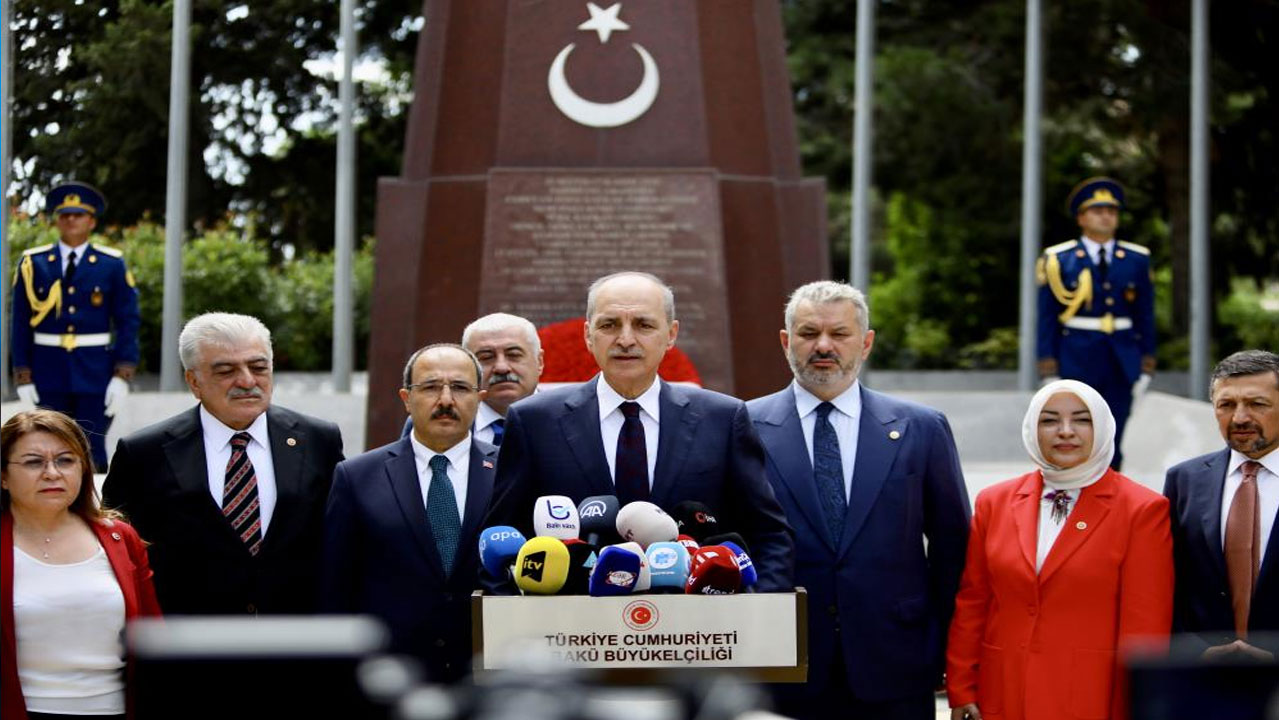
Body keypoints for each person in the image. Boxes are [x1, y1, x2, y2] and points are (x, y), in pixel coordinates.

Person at [484, 271, 794, 590]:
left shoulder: (723, 419)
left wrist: (758, 614)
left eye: (643, 325)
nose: (626, 339)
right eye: (610, 325)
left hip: (698, 630)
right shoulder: (534, 422)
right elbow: (502, 537)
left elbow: (768, 535)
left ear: (671, 334)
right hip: (569, 630)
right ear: (589, 335)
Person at [747, 280, 971, 720]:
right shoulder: (743, 427)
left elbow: (953, 549)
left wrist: (953, 651)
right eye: (809, 333)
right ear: (785, 341)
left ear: (865, 343)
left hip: (897, 663)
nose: (824, 346)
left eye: (840, 334)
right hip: (783, 665)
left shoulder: (921, 428)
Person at [947, 379, 1173, 720]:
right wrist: (962, 687)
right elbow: (973, 602)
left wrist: (1138, 706)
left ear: (1103, 426)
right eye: (1049, 420)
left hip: (1091, 697)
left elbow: (1146, 629)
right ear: (1030, 429)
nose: (1065, 431)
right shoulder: (995, 501)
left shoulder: (1142, 509)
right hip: (1003, 692)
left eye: (1082, 420)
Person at [101, 312, 343, 615]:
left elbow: (342, 541)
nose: (247, 381)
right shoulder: (144, 453)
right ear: (194, 381)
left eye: (258, 367)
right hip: (188, 645)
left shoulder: (318, 440)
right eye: (226, 371)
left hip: (294, 642)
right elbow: (118, 553)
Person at [322, 344, 498, 682]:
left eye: (460, 388)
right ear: (406, 398)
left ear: (479, 398)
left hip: (484, 672)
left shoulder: (508, 471)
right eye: (431, 387)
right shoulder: (357, 476)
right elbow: (335, 586)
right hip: (389, 673)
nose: (446, 400)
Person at [2, 409, 160, 720]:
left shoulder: (119, 537)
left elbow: (153, 635)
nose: (52, 473)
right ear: (3, 476)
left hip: (112, 709)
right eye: (34, 462)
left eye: (65, 460)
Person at [10, 182, 141, 471]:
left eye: (78, 215)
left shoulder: (111, 264)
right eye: (65, 214)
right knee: (50, 447)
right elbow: (19, 323)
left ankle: (94, 512)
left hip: (96, 371)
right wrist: (23, 375)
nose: (71, 220)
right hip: (47, 369)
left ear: (91, 221)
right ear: (57, 219)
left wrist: (122, 374)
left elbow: (128, 321)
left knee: (92, 448)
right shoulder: (34, 263)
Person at [1164, 350, 1279, 657]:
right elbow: (1168, 583)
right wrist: (1194, 651)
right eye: (1227, 405)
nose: (1240, 417)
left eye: (1257, 404)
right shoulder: (1183, 481)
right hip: (1207, 677)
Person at [1036, 177, 1155, 469]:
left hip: (1122, 356)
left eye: (1111, 211)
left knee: (1114, 433)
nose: (1106, 216)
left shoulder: (1136, 259)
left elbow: (1145, 314)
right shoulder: (1059, 259)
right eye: (1098, 210)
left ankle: (1113, 499)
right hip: (1076, 355)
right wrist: (1048, 365)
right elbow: (1047, 316)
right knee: (1076, 431)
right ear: (1081, 218)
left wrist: (1147, 362)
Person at [402, 312, 544, 444]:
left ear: (540, 362)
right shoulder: (434, 420)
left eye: (513, 355)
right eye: (487, 357)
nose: (501, 368)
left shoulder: (564, 419)